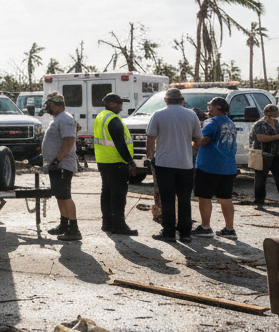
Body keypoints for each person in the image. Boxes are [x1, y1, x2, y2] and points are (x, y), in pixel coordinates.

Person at [145, 88, 202, 242]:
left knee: (167, 199)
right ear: (182, 100)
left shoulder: (158, 114)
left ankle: (168, 232)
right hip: (185, 164)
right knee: (184, 199)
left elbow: (150, 138)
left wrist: (150, 156)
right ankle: (185, 233)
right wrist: (188, 149)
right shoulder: (191, 115)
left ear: (166, 100)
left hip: (164, 163)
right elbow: (198, 139)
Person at [193, 96, 239, 239]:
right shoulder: (230, 123)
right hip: (228, 166)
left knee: (204, 197)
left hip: (209, 166)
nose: (208, 108)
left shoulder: (212, 122)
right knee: (225, 198)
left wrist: (193, 143)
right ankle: (229, 229)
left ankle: (206, 227)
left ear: (218, 108)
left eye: (210, 106)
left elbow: (204, 139)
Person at [94, 93, 138, 236]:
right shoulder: (113, 119)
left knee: (106, 192)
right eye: (119, 103)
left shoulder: (101, 116)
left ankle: (107, 223)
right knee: (118, 195)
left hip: (103, 161)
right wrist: (130, 162)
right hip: (116, 162)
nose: (121, 106)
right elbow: (120, 143)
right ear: (111, 104)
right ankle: (119, 225)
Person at [40, 92, 81, 241]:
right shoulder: (59, 119)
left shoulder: (65, 118)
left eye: (49, 105)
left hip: (62, 165)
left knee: (65, 196)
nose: (48, 108)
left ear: (55, 104)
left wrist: (57, 160)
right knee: (60, 196)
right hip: (57, 165)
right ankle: (64, 225)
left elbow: (69, 140)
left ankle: (74, 230)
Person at [251, 103, 279, 213]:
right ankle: (259, 202)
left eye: (275, 116)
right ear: (266, 114)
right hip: (262, 155)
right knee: (260, 180)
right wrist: (278, 136)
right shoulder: (259, 125)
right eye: (270, 116)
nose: (272, 118)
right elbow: (260, 138)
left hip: (277, 156)